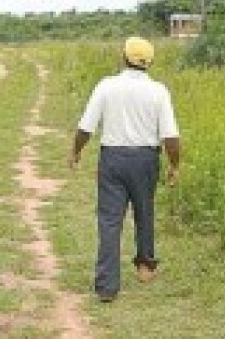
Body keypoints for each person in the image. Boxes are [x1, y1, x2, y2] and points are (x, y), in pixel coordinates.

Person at [69, 36, 181, 303]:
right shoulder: (159, 91)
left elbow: (86, 127)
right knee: (145, 211)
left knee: (109, 221)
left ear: (124, 57)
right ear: (149, 63)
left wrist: (76, 150)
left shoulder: (107, 86)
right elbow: (171, 137)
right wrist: (175, 164)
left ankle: (107, 286)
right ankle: (145, 265)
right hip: (145, 159)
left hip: (113, 158)